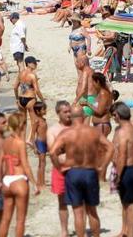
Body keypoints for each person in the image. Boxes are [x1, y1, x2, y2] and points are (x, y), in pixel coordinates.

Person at [49, 105, 115, 237]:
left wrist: (59, 167)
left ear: (71, 117)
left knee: (78, 212)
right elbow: (110, 148)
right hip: (90, 171)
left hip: (73, 172)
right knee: (92, 211)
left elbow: (52, 152)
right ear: (84, 116)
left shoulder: (66, 133)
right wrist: (102, 166)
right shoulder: (93, 132)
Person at [0, 112, 39, 237]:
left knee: (5, 219)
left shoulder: (4, 141)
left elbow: (1, 163)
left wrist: (1, 180)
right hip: (19, 179)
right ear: (20, 125)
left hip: (6, 180)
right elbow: (25, 164)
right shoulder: (20, 142)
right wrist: (34, 183)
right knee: (20, 220)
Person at [111, 102, 133, 237]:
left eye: (113, 115)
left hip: (126, 170)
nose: (113, 118)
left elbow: (122, 156)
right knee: (127, 203)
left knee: (130, 206)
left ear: (118, 115)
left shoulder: (123, 132)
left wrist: (118, 175)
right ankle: (125, 231)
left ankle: (132, 234)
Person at [47, 100, 73, 237]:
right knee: (62, 202)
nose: (69, 114)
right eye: (65, 112)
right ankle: (64, 230)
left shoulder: (76, 127)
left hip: (76, 168)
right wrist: (60, 166)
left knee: (79, 202)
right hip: (60, 169)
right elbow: (53, 152)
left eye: (70, 111)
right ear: (58, 113)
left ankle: (80, 229)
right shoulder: (53, 130)